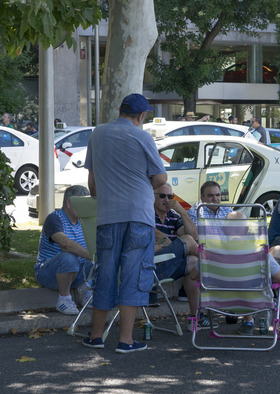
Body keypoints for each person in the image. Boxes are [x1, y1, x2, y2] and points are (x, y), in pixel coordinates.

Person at [83, 93, 167, 353]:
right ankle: (126, 340)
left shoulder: (97, 134)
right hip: (139, 216)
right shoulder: (142, 136)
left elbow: (92, 184)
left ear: (120, 109)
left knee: (105, 272)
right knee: (133, 274)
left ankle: (96, 336)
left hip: (108, 215)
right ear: (141, 116)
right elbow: (160, 178)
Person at [203, 211, 280, 336]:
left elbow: (195, 276)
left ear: (223, 229)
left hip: (220, 301)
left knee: (241, 278)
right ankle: (249, 319)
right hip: (255, 298)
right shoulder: (259, 252)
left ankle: (248, 321)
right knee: (278, 251)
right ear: (246, 229)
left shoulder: (210, 252)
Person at [152, 183, 207, 330]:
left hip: (170, 262)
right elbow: (184, 240)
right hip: (153, 266)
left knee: (194, 263)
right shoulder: (147, 214)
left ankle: (195, 318)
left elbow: (194, 235)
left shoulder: (172, 216)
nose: (167, 199)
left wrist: (182, 211)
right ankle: (215, 263)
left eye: (170, 196)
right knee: (188, 241)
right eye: (162, 196)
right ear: (153, 196)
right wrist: (169, 243)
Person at [35, 185, 93, 315]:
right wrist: (92, 256)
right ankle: (64, 299)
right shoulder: (54, 219)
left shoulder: (84, 221)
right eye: (81, 203)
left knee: (102, 256)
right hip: (48, 273)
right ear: (68, 202)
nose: (85, 207)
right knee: (69, 256)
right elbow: (66, 244)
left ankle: (86, 294)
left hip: (74, 272)